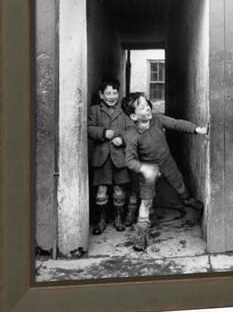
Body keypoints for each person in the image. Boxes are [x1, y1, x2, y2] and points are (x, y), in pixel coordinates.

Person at [122, 92, 208, 251]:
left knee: (179, 182)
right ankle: (141, 234)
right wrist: (144, 168)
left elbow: (176, 124)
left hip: (166, 161)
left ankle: (187, 199)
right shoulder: (132, 135)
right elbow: (130, 161)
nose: (147, 108)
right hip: (148, 168)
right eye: (141, 107)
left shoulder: (157, 119)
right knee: (146, 201)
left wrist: (197, 130)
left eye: (146, 104)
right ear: (134, 117)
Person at [88, 78, 133, 235]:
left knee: (119, 190)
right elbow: (89, 129)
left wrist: (122, 139)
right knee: (101, 191)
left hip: (119, 157)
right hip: (102, 158)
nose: (112, 96)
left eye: (115, 93)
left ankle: (118, 218)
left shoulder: (124, 110)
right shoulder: (95, 110)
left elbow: (131, 130)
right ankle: (101, 220)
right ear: (101, 95)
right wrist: (102, 132)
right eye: (108, 93)